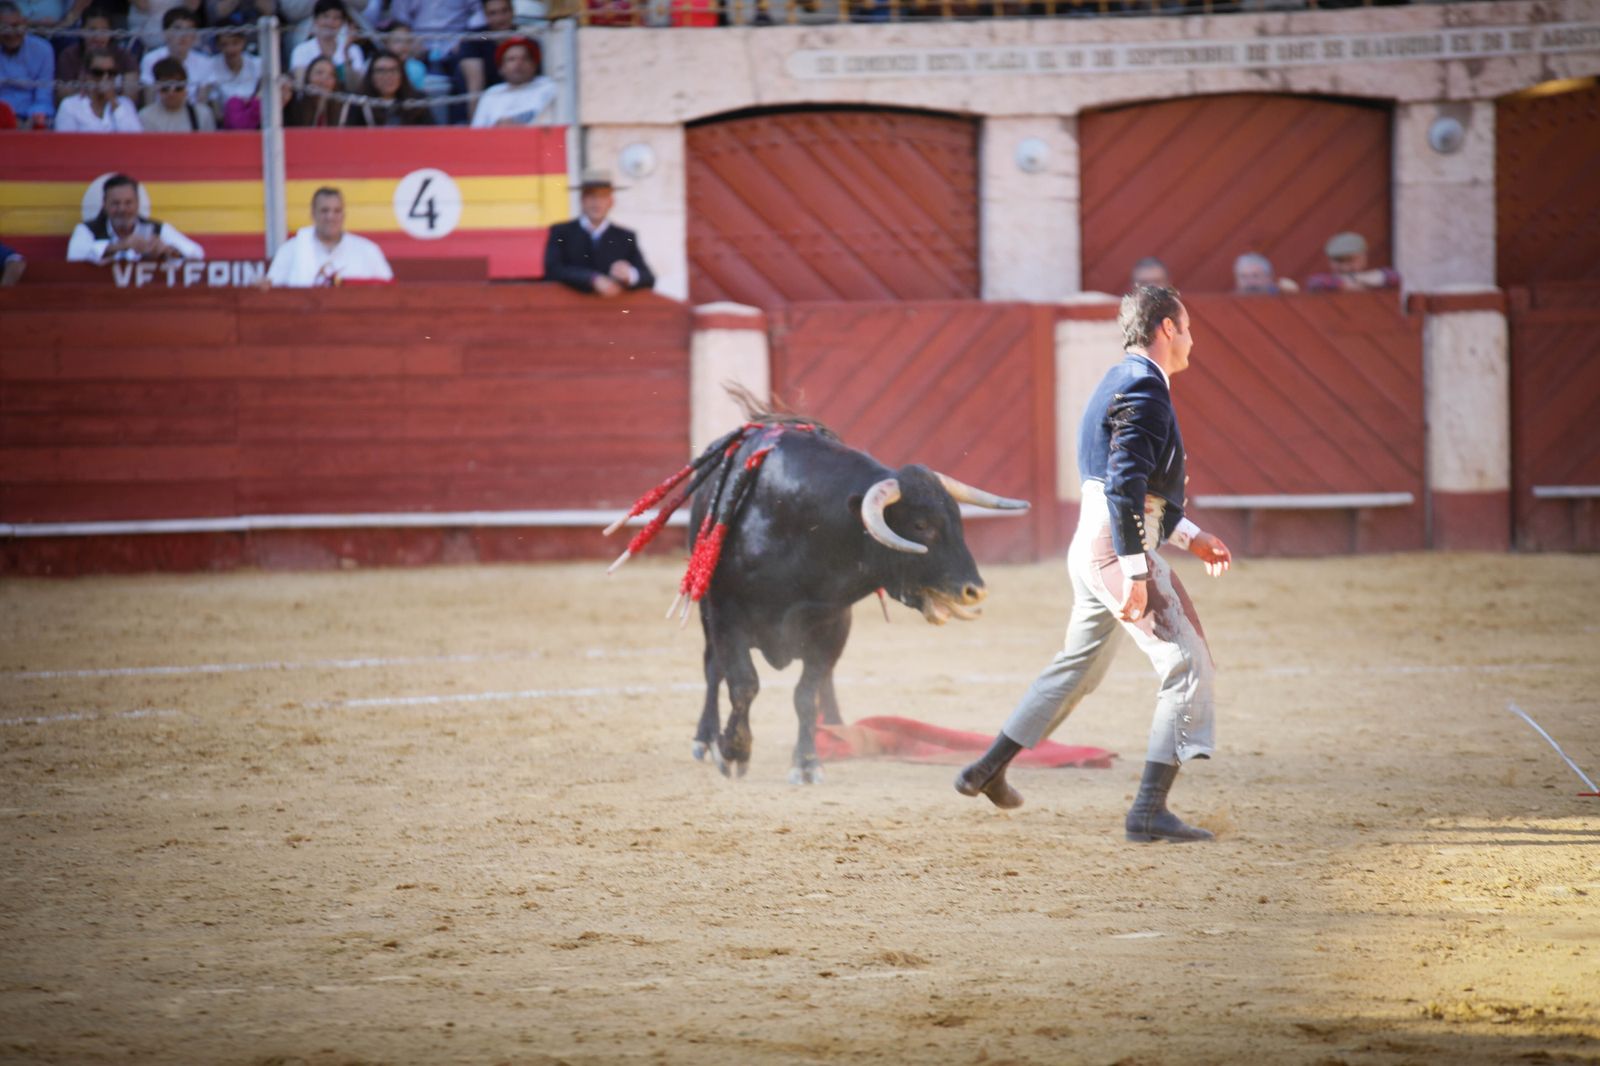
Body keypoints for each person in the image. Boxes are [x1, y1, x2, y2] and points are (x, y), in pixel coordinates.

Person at [954, 284, 1233, 843]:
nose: (1193, 338)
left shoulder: (1118, 380)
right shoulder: (1146, 392)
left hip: (1091, 543)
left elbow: (1125, 485)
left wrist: (1190, 535)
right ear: (1167, 329)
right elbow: (1125, 485)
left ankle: (987, 768)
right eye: (1188, 325)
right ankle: (1149, 811)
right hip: (1115, 547)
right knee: (1188, 663)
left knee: (1077, 667)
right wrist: (1134, 568)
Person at [543, 167, 654, 297]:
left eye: (603, 196)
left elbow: (648, 278)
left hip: (612, 312)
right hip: (570, 311)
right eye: (591, 196)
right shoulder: (562, 232)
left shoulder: (625, 236)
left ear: (611, 202)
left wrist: (629, 274)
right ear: (582, 200)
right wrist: (591, 279)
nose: (597, 203)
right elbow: (553, 270)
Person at [264, 186, 393, 286]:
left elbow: (389, 293)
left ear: (343, 215)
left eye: (337, 211)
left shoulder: (368, 250)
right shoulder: (290, 250)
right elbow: (273, 293)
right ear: (313, 214)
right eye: (324, 210)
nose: (330, 217)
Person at [67, 172, 206, 262]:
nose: (122, 209)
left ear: (138, 203)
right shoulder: (88, 229)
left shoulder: (155, 228)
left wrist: (167, 251)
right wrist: (121, 246)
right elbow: (74, 255)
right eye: (116, 203)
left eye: (128, 203)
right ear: (104, 204)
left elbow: (197, 254)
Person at [53, 7, 138, 106]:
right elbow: (64, 96)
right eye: (92, 30)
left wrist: (110, 100)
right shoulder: (69, 55)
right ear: (81, 31)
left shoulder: (124, 56)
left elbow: (131, 97)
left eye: (104, 31)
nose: (97, 37)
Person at [467, 33, 552, 127]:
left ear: (534, 65)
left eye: (525, 58)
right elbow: (477, 131)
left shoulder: (548, 86)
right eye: (511, 59)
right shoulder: (492, 93)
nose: (518, 64)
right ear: (501, 68)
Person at [54, 48, 142, 130]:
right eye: (98, 73)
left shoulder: (125, 104)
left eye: (111, 73)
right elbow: (66, 142)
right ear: (86, 74)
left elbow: (135, 139)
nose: (105, 78)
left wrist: (113, 102)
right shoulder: (70, 106)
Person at [0, 1, 55, 129]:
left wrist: (32, 119)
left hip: (30, 119)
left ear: (24, 24)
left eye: (15, 26)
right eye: (4, 28)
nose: (11, 33)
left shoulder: (43, 50)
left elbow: (44, 97)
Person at [139, 7, 210, 104]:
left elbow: (202, 102)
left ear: (194, 36)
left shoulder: (204, 62)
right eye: (177, 29)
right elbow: (149, 101)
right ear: (165, 33)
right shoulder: (150, 59)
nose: (183, 35)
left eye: (189, 29)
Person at [456, 0, 512, 121]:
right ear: (485, 16)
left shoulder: (524, 36)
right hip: (486, 110)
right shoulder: (478, 38)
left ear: (512, 12)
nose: (500, 18)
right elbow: (475, 87)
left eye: (504, 11)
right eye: (493, 13)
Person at [342, 47, 429, 124]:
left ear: (402, 74)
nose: (388, 76)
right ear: (371, 76)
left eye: (393, 70)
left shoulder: (417, 102)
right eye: (381, 71)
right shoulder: (358, 103)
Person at [289, 0, 366, 86]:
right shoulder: (302, 50)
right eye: (325, 16)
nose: (330, 23)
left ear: (342, 23)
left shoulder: (353, 50)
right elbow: (301, 84)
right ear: (315, 20)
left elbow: (356, 87)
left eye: (336, 18)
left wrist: (346, 52)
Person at [1305, 231, 1401, 293]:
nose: (1345, 267)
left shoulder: (1376, 278)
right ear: (1331, 262)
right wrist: (1346, 284)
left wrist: (1361, 280)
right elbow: (1315, 283)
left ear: (1363, 259)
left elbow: (1393, 277)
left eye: (1351, 260)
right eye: (1340, 260)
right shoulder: (1325, 282)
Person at [138, 56, 216, 129]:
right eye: (165, 88)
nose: (171, 93)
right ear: (157, 88)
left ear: (186, 87)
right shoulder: (145, 116)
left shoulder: (202, 114)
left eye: (178, 87)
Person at [206, 25, 261, 117]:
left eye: (235, 43)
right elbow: (212, 100)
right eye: (224, 44)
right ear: (218, 46)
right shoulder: (211, 65)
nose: (230, 49)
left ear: (243, 42)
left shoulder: (257, 64)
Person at [282, 53, 339, 124]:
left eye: (331, 75)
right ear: (308, 77)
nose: (325, 79)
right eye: (319, 73)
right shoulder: (294, 108)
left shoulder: (342, 111)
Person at [1232, 251, 1298, 295]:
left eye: (1255, 276)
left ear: (1268, 277)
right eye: (1243, 277)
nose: (1249, 281)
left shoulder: (1281, 298)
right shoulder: (1231, 303)